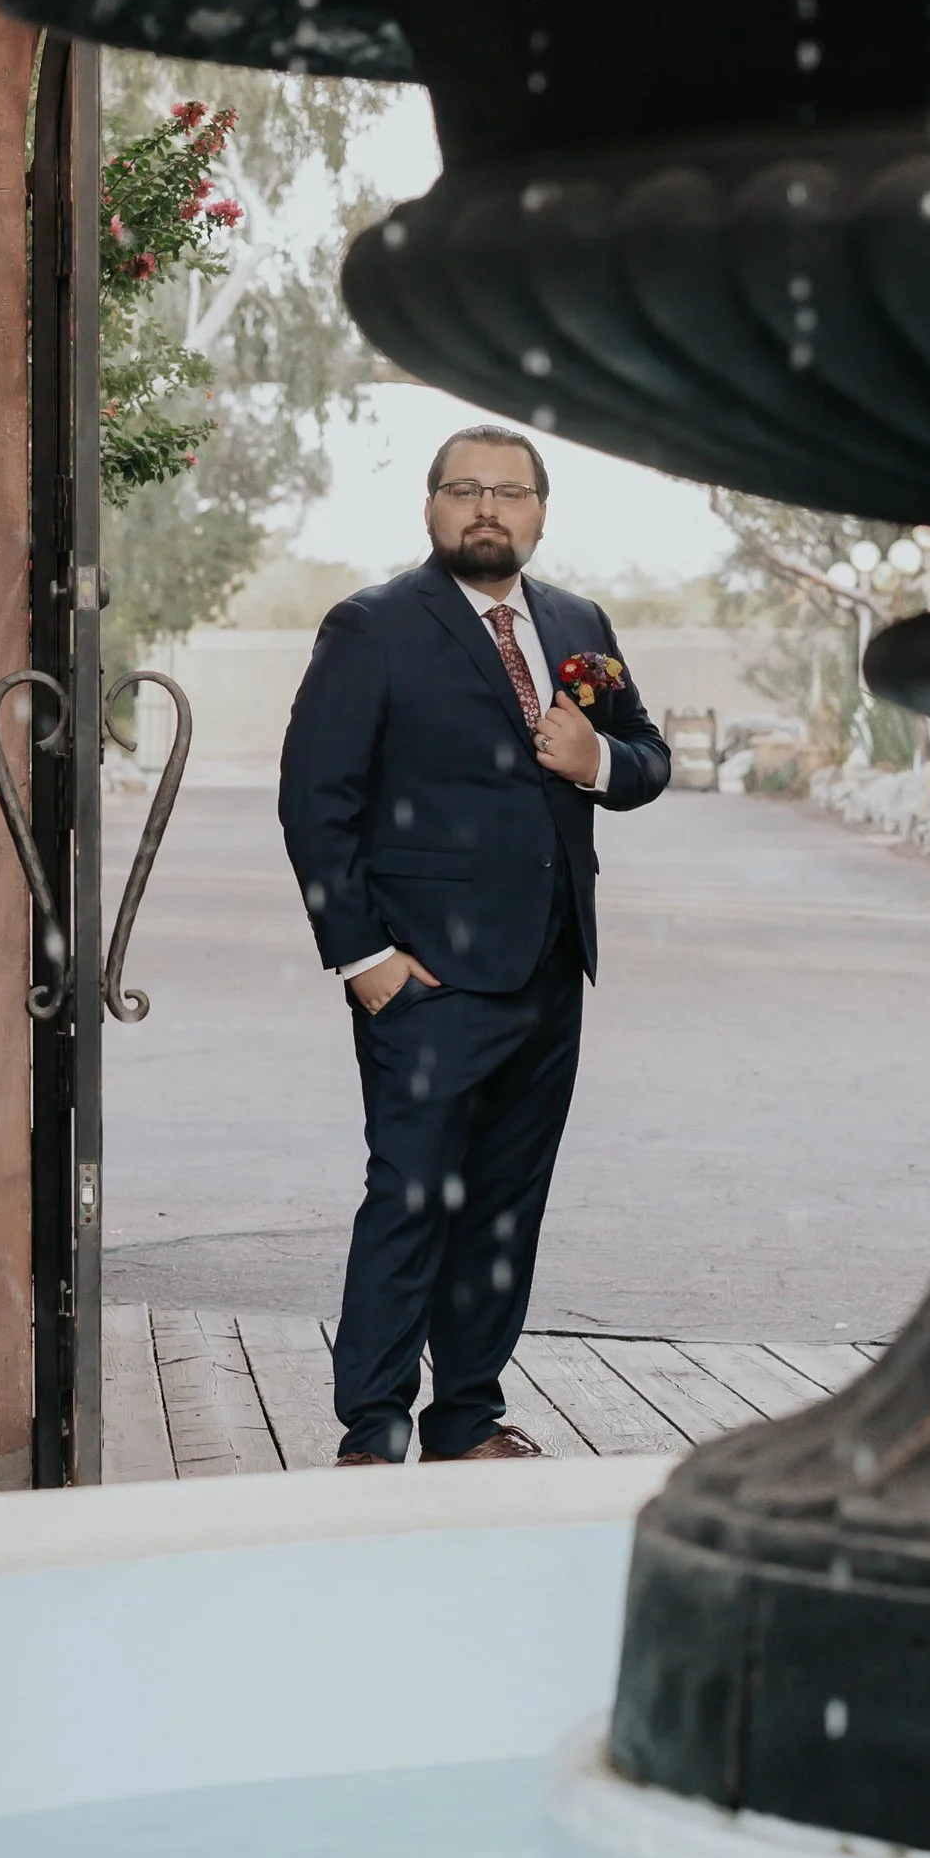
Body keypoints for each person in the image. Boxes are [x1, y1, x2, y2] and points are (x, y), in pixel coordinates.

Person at [279, 426, 671, 1464]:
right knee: (410, 1198)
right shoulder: (371, 626)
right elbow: (316, 800)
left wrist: (596, 760)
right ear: (430, 507)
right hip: (427, 978)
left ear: (540, 512)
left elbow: (648, 755)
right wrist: (364, 961)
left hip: (550, 969)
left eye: (509, 491)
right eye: (464, 489)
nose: (487, 507)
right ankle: (371, 1431)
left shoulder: (579, 623)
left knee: (503, 1208)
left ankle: (465, 1420)